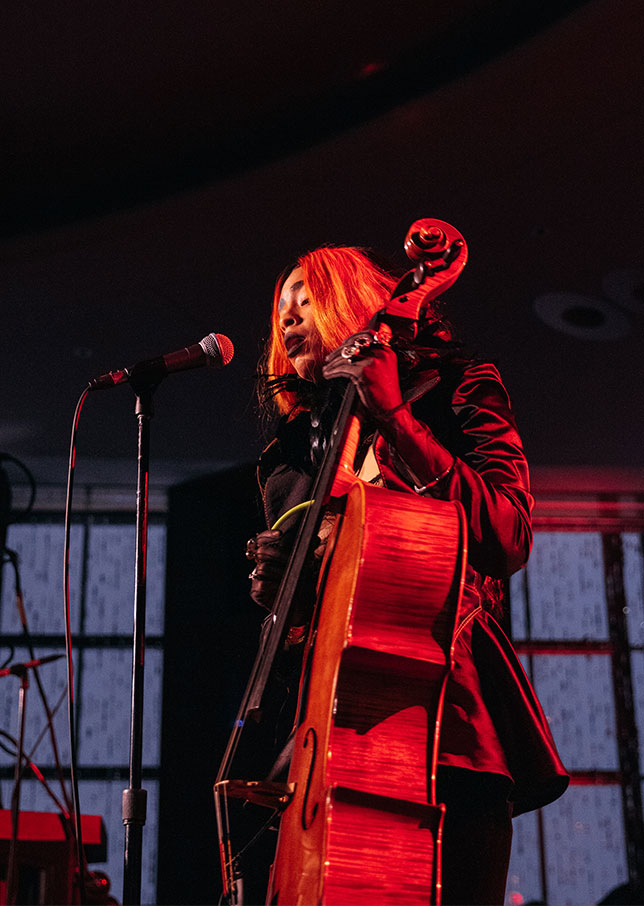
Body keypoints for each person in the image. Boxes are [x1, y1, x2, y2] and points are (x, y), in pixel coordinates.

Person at [245, 245, 568, 905]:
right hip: (326, 752)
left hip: (445, 734)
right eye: (281, 311)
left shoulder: (456, 388)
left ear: (356, 303)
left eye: (305, 298)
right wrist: (279, 599)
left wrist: (395, 415)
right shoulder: (292, 462)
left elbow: (505, 534)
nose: (289, 319)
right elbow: (301, 660)